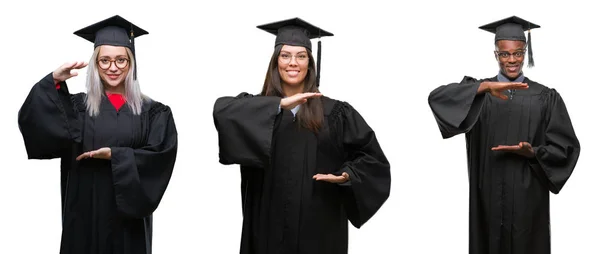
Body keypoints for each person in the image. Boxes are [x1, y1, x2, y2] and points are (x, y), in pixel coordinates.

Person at [213, 17, 391, 254]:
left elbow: (373, 160)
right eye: (285, 55)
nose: (292, 63)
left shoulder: (336, 113)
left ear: (310, 62)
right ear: (275, 62)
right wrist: (278, 105)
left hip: (319, 229)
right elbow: (222, 112)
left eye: (301, 56)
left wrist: (348, 175)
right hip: (266, 229)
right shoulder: (255, 109)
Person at [17, 15, 178, 254]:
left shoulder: (153, 112)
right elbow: (37, 122)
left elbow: (160, 157)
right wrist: (53, 82)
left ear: (131, 63)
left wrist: (116, 155)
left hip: (129, 223)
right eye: (104, 61)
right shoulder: (77, 108)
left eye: (121, 60)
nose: (113, 68)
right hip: (83, 216)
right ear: (95, 64)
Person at [428, 16, 580, 254]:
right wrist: (483, 88)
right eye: (505, 54)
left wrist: (534, 152)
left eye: (518, 53)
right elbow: (436, 98)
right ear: (496, 54)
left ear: (525, 52)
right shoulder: (479, 93)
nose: (512, 60)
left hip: (528, 199)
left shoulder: (545, 97)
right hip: (486, 197)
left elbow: (566, 149)